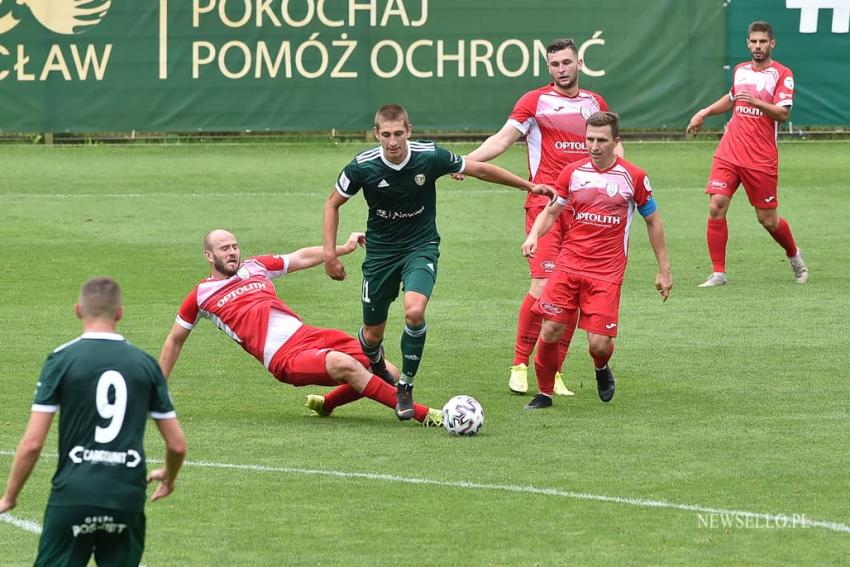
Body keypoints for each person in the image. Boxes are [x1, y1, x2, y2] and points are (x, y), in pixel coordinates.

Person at [323, 104, 555, 420]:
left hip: (421, 247)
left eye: (399, 134)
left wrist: (528, 186)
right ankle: (377, 364)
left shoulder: (429, 156)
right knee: (371, 336)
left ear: (409, 130)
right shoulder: (362, 166)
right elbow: (332, 205)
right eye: (386, 135)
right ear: (377, 133)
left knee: (414, 311)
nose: (393, 142)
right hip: (380, 254)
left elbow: (479, 168)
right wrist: (329, 255)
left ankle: (405, 384)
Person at [462, 38, 623, 397]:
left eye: (567, 62)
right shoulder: (534, 102)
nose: (562, 69)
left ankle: (554, 372)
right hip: (546, 205)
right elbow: (503, 139)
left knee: (574, 292)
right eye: (555, 64)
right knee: (543, 287)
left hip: (586, 211)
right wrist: (469, 161)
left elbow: (614, 148)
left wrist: (622, 178)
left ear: (579, 63)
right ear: (548, 68)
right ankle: (520, 364)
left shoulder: (595, 103)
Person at [159, 229, 445, 426]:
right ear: (210, 256)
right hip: (283, 357)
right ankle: (423, 415)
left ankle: (326, 404)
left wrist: (340, 250)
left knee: (388, 372)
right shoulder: (201, 295)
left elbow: (299, 257)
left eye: (234, 246)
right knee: (343, 364)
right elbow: (174, 341)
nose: (232, 252)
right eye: (225, 249)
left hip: (307, 334)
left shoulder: (255, 266)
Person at [0, 277, 186, 566]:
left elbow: (33, 443)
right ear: (120, 312)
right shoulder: (146, 364)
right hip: (126, 495)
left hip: (74, 493)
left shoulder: (61, 360)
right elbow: (176, 445)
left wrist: (9, 496)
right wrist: (170, 477)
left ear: (78, 310)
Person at [521, 111, 672, 409]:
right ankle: (545, 393)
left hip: (606, 272)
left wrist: (664, 270)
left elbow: (653, 221)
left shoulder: (634, 177)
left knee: (599, 345)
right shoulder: (572, 173)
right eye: (589, 139)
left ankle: (601, 367)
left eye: (601, 140)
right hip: (568, 264)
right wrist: (534, 235)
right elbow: (551, 211)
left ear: (616, 142)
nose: (593, 146)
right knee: (551, 328)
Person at [686, 20, 807, 287]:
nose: (758, 46)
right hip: (730, 150)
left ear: (772, 44)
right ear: (748, 43)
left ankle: (794, 255)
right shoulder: (740, 70)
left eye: (763, 41)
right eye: (753, 41)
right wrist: (704, 112)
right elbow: (731, 99)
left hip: (761, 157)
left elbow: (783, 113)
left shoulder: (782, 73)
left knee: (768, 220)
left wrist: (757, 102)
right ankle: (718, 272)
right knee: (716, 205)